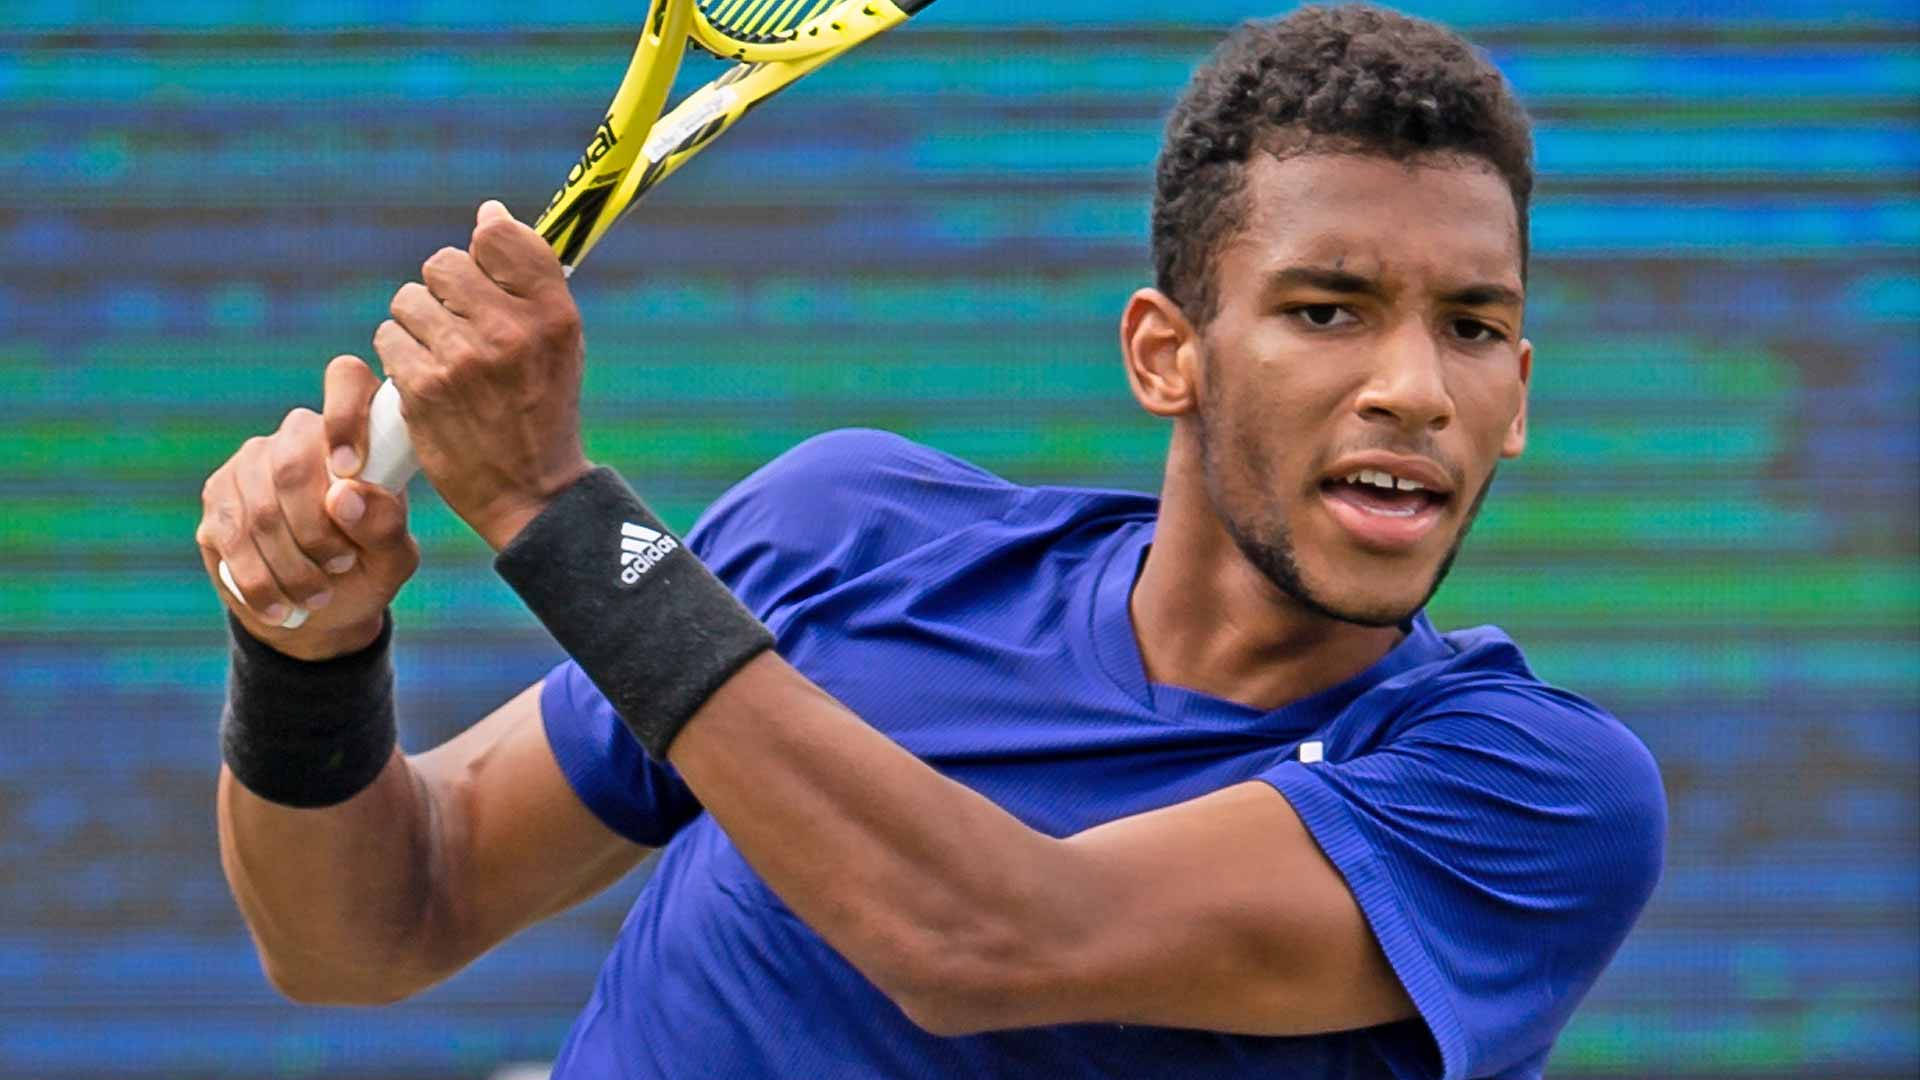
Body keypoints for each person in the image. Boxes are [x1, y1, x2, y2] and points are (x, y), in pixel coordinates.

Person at [197, 5, 1666, 1078]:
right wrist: (309, 648)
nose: (1413, 388)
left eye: (1473, 329)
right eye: (1326, 309)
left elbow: (994, 939)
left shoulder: (1530, 795)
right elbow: (377, 921)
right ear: (1168, 356)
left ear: (1517, 396)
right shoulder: (837, 537)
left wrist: (555, 519)